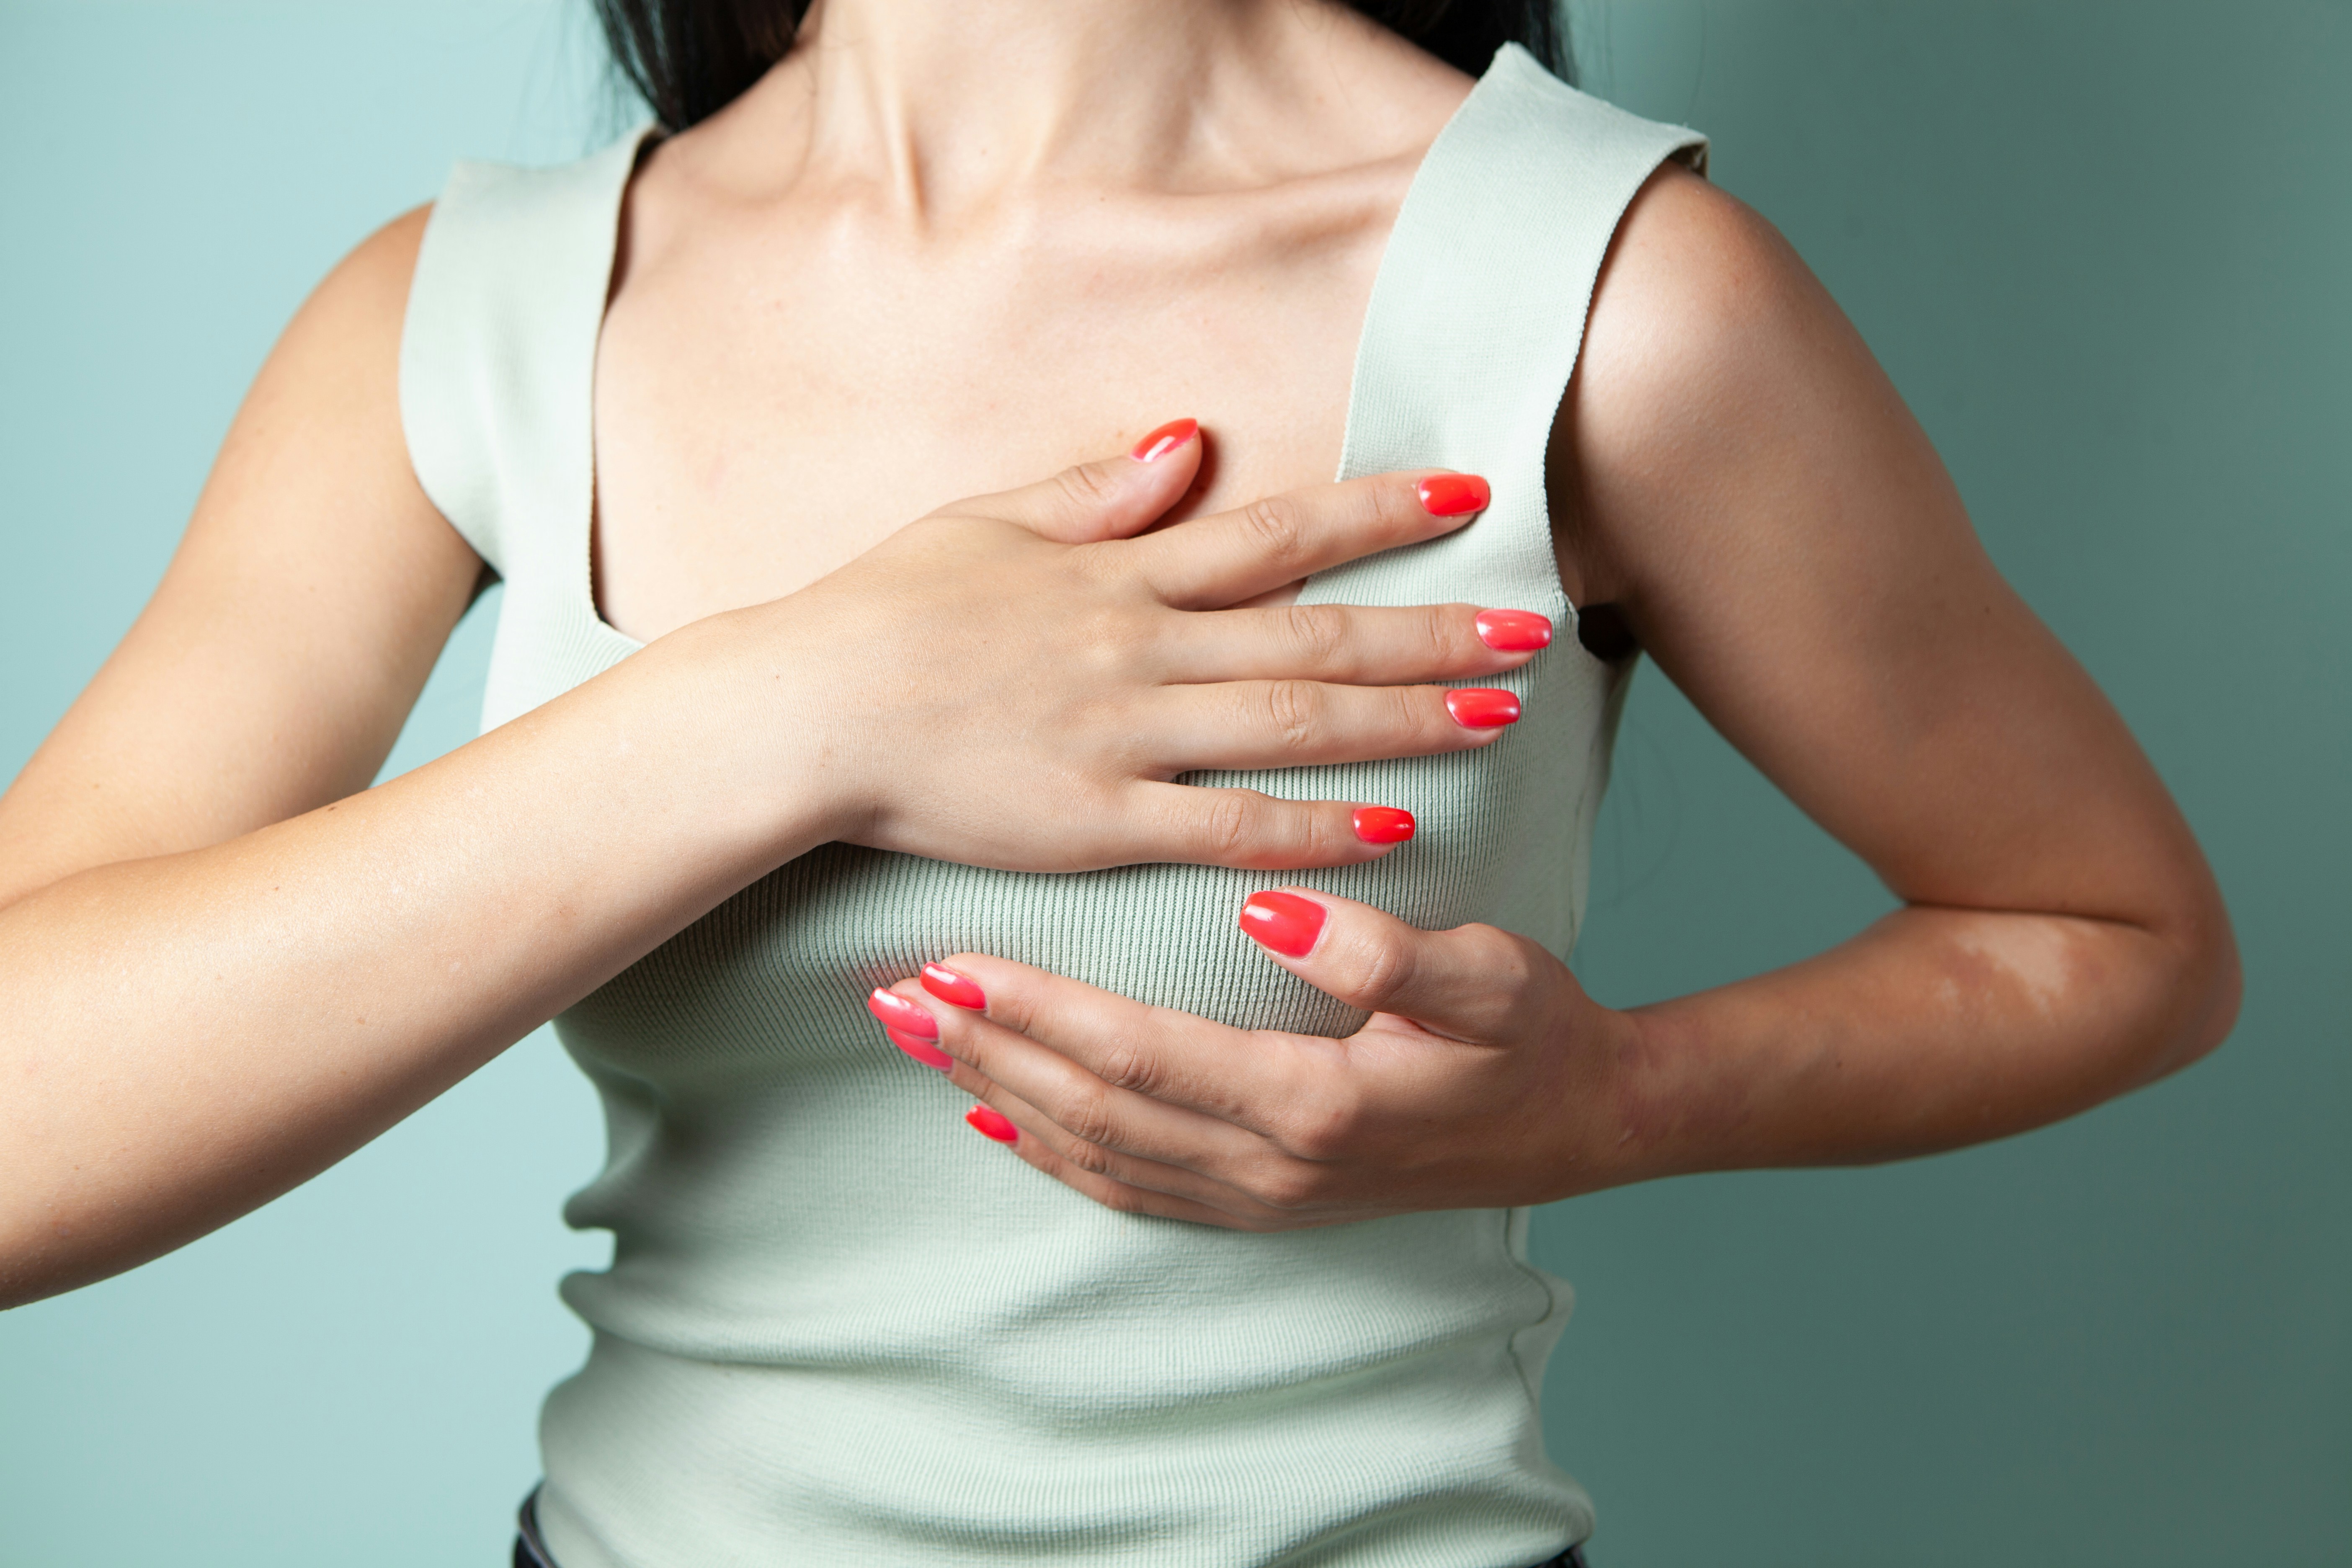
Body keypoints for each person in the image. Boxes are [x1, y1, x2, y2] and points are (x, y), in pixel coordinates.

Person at [0, 0, 2240, 1563]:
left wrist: (1627, 1097)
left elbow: (2122, 939)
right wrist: (798, 707)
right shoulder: (472, 316)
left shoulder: (1603, 294)